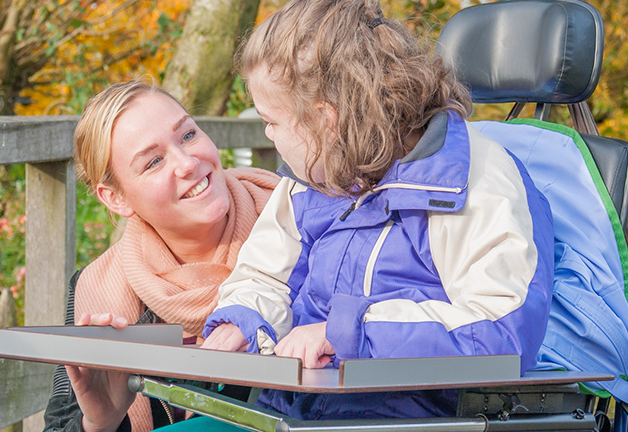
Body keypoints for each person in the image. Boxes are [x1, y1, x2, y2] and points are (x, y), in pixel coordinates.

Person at [196, 0, 555, 423]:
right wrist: (244, 319)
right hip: (290, 413)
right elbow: (266, 275)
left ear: (325, 120)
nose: (268, 135)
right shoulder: (311, 176)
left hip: (412, 419)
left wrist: (348, 332)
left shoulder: (476, 180)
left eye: (271, 121)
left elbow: (502, 331)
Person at [42, 80, 280, 432]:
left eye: (187, 135)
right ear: (116, 199)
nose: (187, 163)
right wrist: (100, 422)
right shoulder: (95, 290)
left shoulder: (299, 232)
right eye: (154, 162)